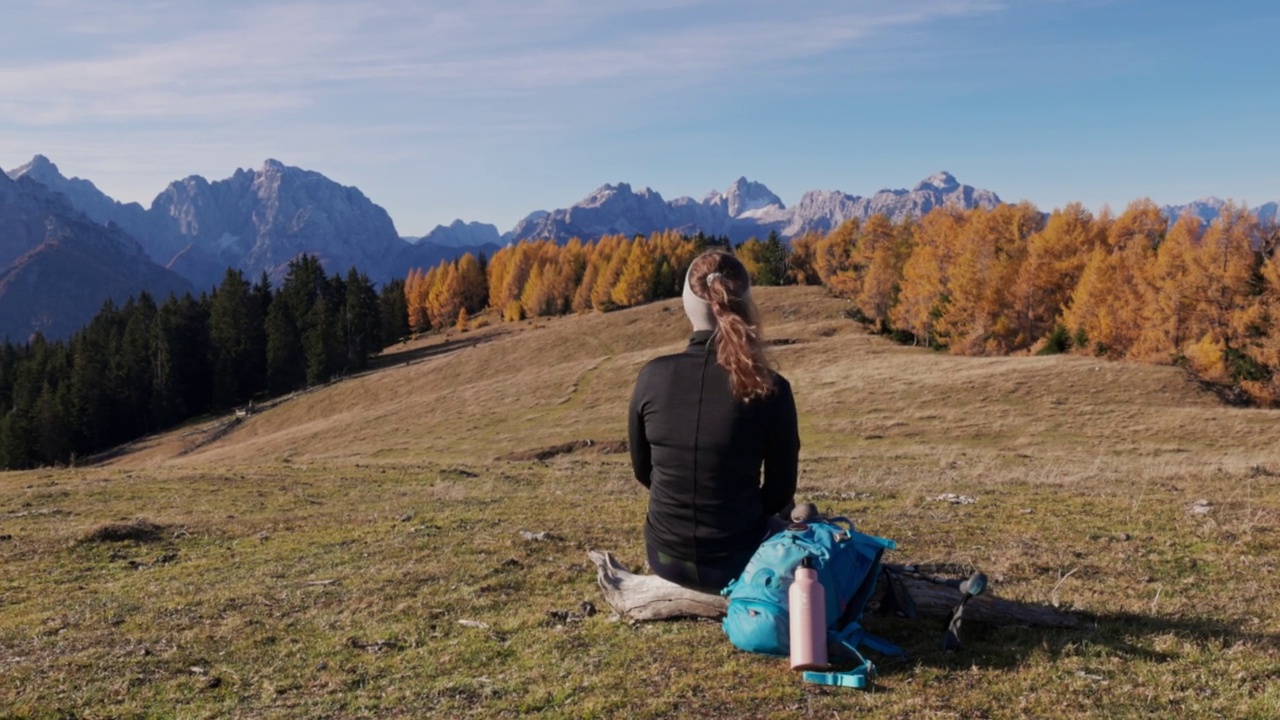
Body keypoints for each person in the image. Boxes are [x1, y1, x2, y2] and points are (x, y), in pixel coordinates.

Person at [628, 250, 800, 593]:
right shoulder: (770, 387)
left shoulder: (652, 376)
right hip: (739, 560)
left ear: (685, 302)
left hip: (664, 555)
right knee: (801, 516)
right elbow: (780, 492)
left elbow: (643, 471)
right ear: (746, 302)